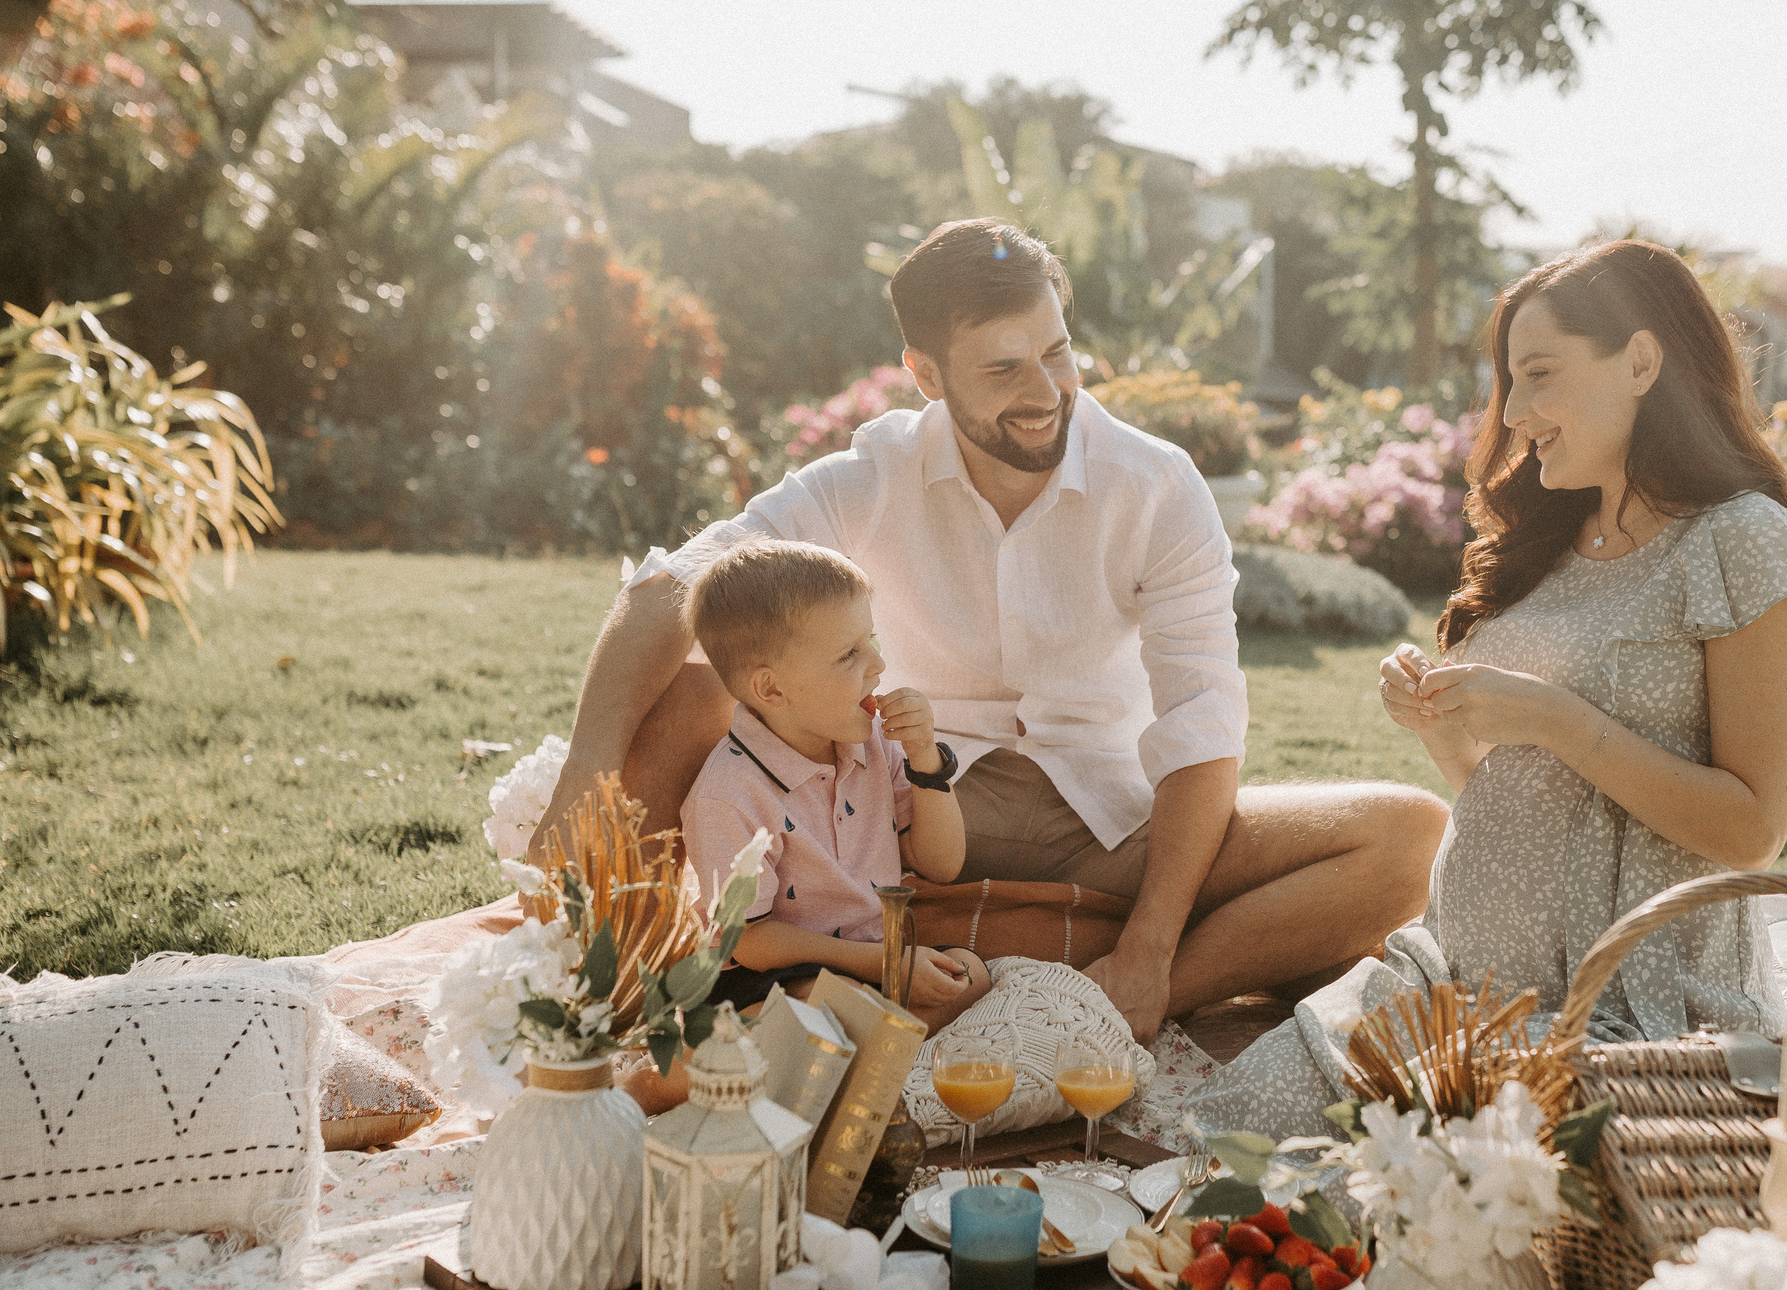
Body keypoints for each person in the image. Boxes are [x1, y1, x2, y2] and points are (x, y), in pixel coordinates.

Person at [536, 218, 1447, 1043]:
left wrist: (1154, 944)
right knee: (702, 683)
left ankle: (1119, 989)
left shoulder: (1159, 486)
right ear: (926, 375)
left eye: (1056, 351)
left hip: (1114, 825)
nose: (1046, 390)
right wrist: (586, 776)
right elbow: (675, 584)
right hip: (905, 827)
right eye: (1003, 368)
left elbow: (1203, 723)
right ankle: (629, 985)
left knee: (1408, 836)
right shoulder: (875, 470)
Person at [1378, 240, 1787, 1043]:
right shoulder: (1550, 543)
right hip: (1464, 981)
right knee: (1256, 1116)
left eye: (1539, 374)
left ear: (1640, 362)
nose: (1514, 413)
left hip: (1638, 1008)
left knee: (1397, 1151)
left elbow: (1751, 829)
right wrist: (1446, 730)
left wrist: (1558, 717)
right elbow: (1517, 797)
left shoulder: (1742, 542)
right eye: (1508, 382)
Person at [677, 538, 992, 1032]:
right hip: (772, 975)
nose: (878, 666)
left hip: (873, 959)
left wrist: (925, 759)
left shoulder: (874, 745)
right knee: (825, 1010)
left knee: (969, 975)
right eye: (849, 654)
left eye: (871, 641)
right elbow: (750, 942)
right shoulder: (728, 795)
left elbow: (943, 864)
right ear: (773, 690)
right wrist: (882, 964)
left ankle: (873, 1040)